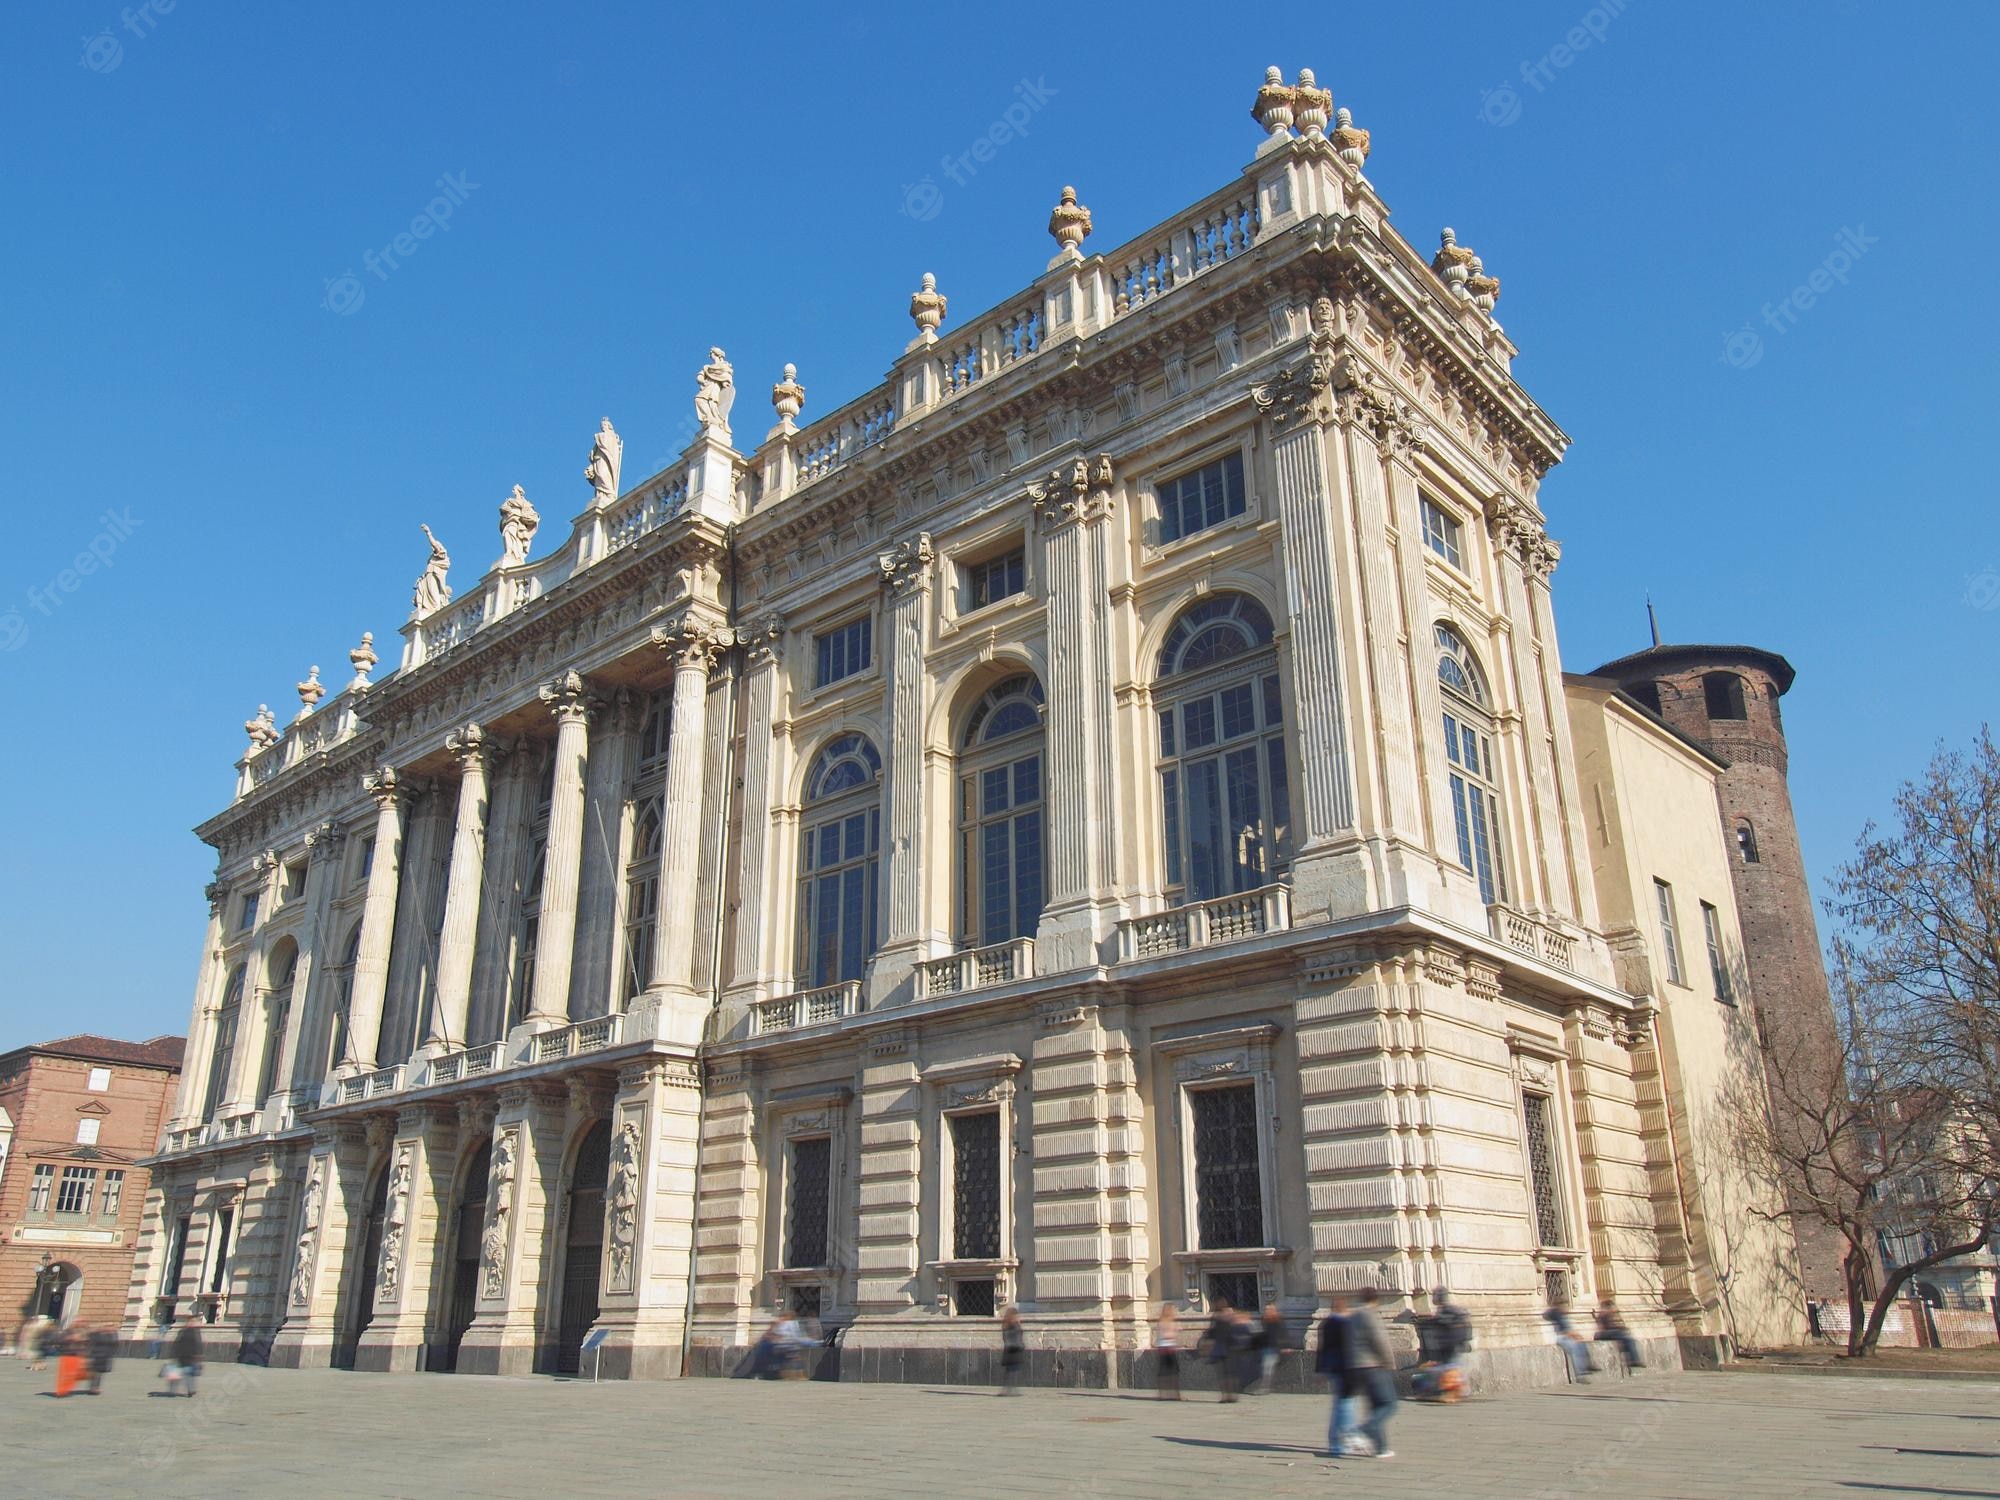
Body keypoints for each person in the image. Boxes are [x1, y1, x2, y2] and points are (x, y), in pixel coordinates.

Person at [1346, 1288, 1398, 1459]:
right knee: (1389, 1404)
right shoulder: (1370, 1314)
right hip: (1374, 1366)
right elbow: (1379, 1339)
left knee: (1376, 1407)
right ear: (1375, 1300)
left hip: (1357, 1367)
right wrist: (1389, 1361)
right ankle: (1360, 1430)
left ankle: (1381, 1448)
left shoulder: (1352, 1316)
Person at [1315, 1293, 1362, 1457]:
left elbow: (1321, 1349)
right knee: (1345, 1406)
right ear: (1345, 1307)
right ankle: (1345, 1440)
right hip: (1345, 1369)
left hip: (1333, 1367)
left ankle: (1335, 1441)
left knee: (1340, 1406)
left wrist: (1320, 1369)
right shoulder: (1345, 1324)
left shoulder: (1326, 1323)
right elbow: (1350, 1350)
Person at [1412, 1286, 1471, 1401]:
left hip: (1450, 1346)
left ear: (1438, 1297)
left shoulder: (1445, 1310)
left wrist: (1425, 1321)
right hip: (1453, 1345)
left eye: (1434, 1296)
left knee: (1449, 1368)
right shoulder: (1449, 1310)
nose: (1433, 1298)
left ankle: (1457, 1390)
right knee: (1451, 1368)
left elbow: (1441, 1321)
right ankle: (1457, 1390)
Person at [1199, 1298, 1243, 1402]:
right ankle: (1231, 1395)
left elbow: (1212, 1331)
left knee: (1225, 1373)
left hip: (1222, 1346)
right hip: (1228, 1346)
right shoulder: (1228, 1315)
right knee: (1229, 1372)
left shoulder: (1217, 1316)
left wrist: (1207, 1338)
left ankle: (1226, 1395)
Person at [1544, 1297, 1594, 1383]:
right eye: (1565, 1306)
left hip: (1566, 1337)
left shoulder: (1563, 1316)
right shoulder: (1558, 1316)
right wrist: (1576, 1335)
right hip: (1561, 1338)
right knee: (1575, 1349)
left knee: (1581, 1344)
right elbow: (1566, 1332)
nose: (1567, 1308)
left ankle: (1588, 1364)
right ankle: (1580, 1374)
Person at [1595, 1299, 1643, 1370]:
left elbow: (1614, 1325)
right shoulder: (1603, 1314)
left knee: (1629, 1339)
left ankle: (1633, 1359)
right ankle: (1633, 1359)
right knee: (1623, 1335)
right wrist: (1620, 1327)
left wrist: (1621, 1327)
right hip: (1603, 1334)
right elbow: (1607, 1327)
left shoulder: (1610, 1314)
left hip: (1611, 1333)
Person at [1253, 1304, 1287, 1393]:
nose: (1266, 1311)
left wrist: (1285, 1346)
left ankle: (1265, 1387)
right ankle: (1265, 1386)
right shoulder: (1264, 1321)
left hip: (1273, 1347)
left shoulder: (1278, 1320)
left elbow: (1283, 1334)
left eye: (1269, 1309)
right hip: (1265, 1347)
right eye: (1266, 1309)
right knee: (1265, 1367)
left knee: (1267, 1368)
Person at [163, 1322, 202, 1397]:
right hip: (187, 1356)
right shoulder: (195, 1332)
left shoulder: (183, 1331)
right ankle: (190, 1390)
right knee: (187, 1374)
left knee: (177, 1374)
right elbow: (197, 1345)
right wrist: (198, 1355)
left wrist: (173, 1355)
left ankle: (173, 1390)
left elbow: (176, 1344)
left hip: (181, 1356)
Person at [1153, 1304, 1182, 1400]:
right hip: (1169, 1347)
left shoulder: (1161, 1321)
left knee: (1164, 1372)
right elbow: (1168, 1334)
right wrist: (1174, 1332)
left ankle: (1163, 1394)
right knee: (1173, 1372)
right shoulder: (1169, 1321)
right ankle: (1175, 1395)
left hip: (1162, 1347)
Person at [998, 1305, 1025, 1395]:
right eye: (1016, 1316)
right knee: (1011, 1370)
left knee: (1012, 1370)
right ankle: (1008, 1389)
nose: (1017, 1317)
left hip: (1014, 1350)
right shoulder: (1009, 1326)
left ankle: (1009, 1389)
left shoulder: (1013, 1325)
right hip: (1012, 1350)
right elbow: (1009, 1337)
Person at [84, 1324, 116, 1395]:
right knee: (95, 1372)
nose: (110, 1328)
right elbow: (91, 1344)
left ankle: (96, 1387)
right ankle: (93, 1388)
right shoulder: (96, 1335)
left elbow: (114, 1344)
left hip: (104, 1357)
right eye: (108, 1327)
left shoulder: (112, 1335)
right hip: (96, 1356)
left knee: (99, 1373)